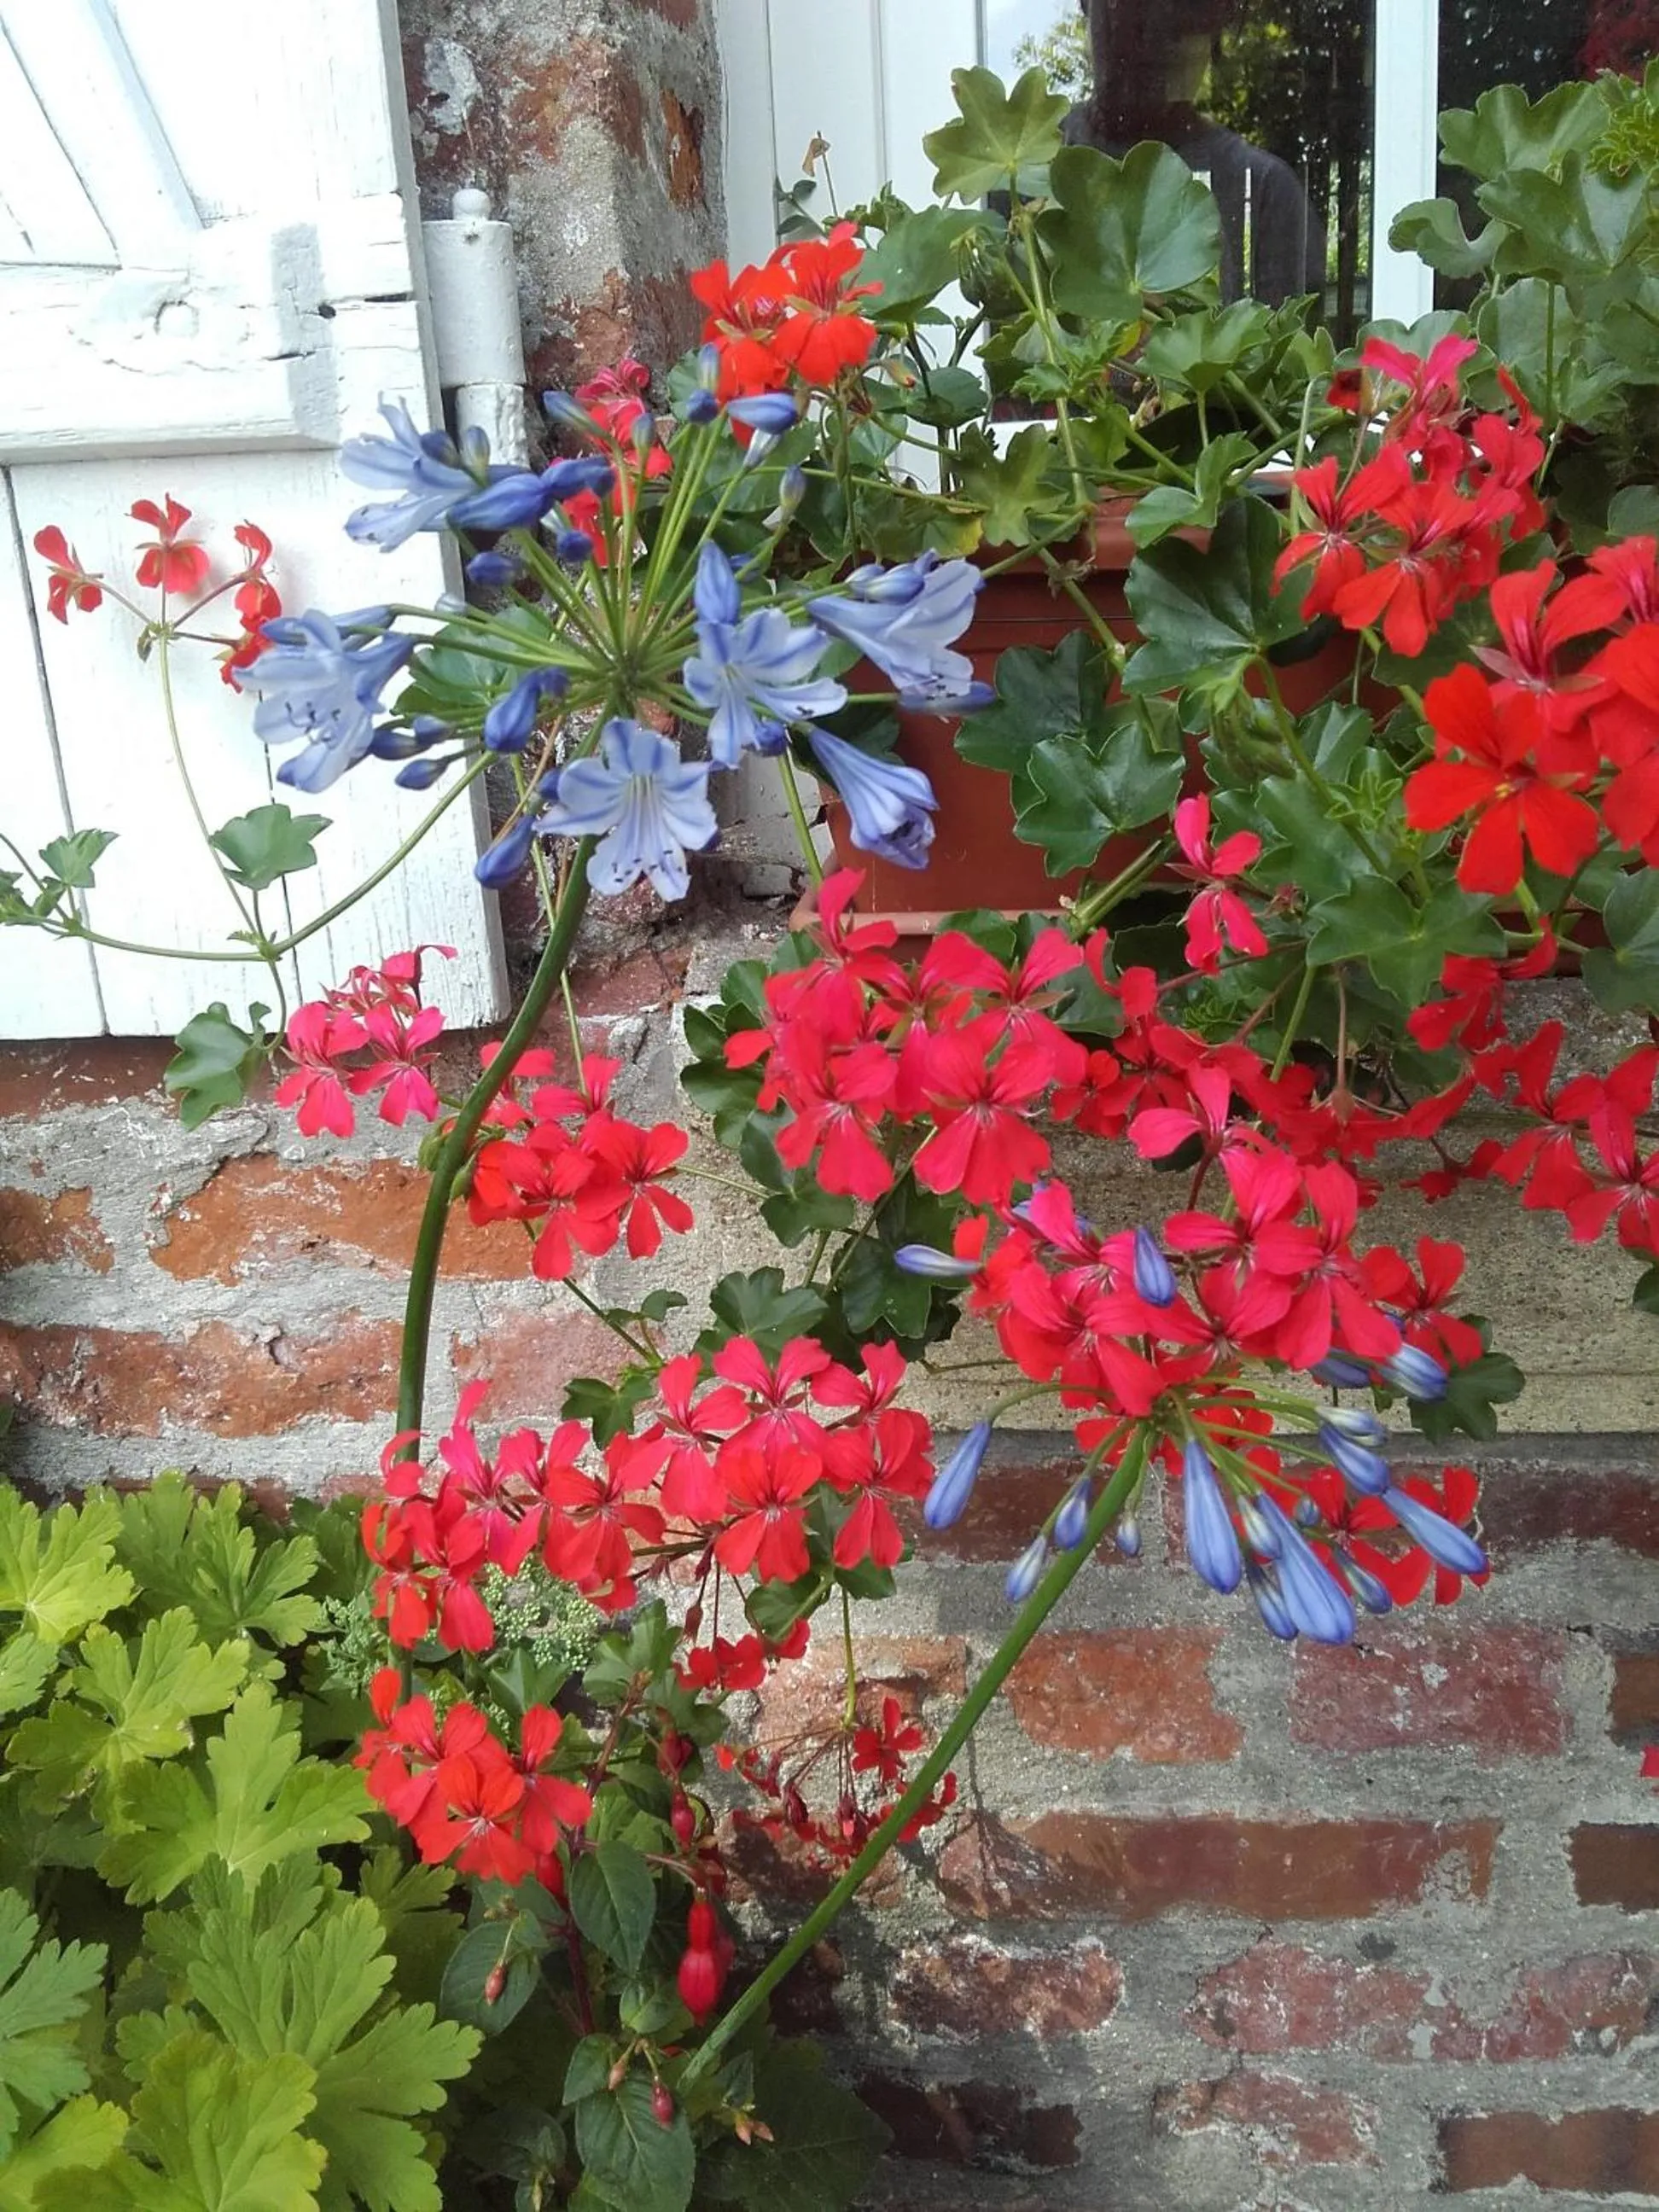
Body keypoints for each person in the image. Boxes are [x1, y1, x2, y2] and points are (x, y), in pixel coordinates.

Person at [1063, 0, 1326, 308]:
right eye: (1129, 17)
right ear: (1091, 23)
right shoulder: (1035, 174)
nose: (1155, 43)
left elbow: (1289, 329)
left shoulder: (1266, 188)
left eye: (1184, 22)